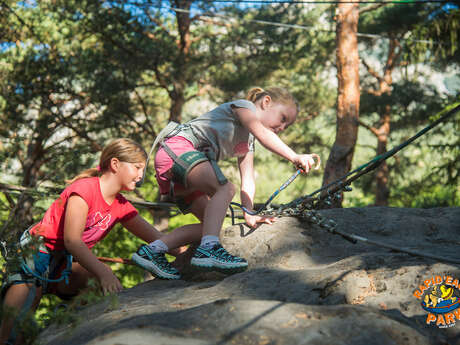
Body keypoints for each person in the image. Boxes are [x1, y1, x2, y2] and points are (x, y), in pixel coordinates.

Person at [0, 138, 186, 345]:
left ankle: (62, 326)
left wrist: (189, 253)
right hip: (35, 254)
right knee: (12, 330)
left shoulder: (121, 206)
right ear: (115, 164)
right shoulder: (84, 190)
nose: (141, 175)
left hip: (64, 262)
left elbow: (159, 239)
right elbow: (72, 240)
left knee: (98, 285)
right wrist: (104, 271)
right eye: (137, 167)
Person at [132, 86, 320, 279]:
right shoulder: (243, 107)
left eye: (286, 126)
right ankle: (209, 250)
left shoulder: (248, 142)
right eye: (283, 119)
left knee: (209, 225)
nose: (282, 128)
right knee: (225, 188)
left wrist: (250, 213)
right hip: (178, 151)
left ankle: (153, 251)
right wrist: (294, 156)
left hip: (180, 167)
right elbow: (265, 136)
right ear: (266, 102)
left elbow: (247, 179)